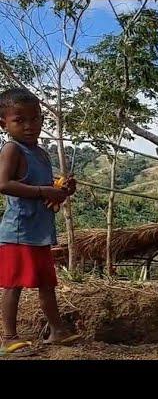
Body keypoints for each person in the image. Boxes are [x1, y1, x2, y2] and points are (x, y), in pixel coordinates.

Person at [0, 88, 80, 356]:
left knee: (47, 283)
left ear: (42, 119)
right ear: (4, 123)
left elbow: (45, 189)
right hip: (19, 232)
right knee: (13, 284)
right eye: (19, 120)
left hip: (40, 232)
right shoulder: (12, 149)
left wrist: (62, 189)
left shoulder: (42, 153)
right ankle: (9, 338)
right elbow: (4, 184)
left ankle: (57, 330)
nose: (29, 126)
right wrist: (45, 191)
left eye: (34, 119)